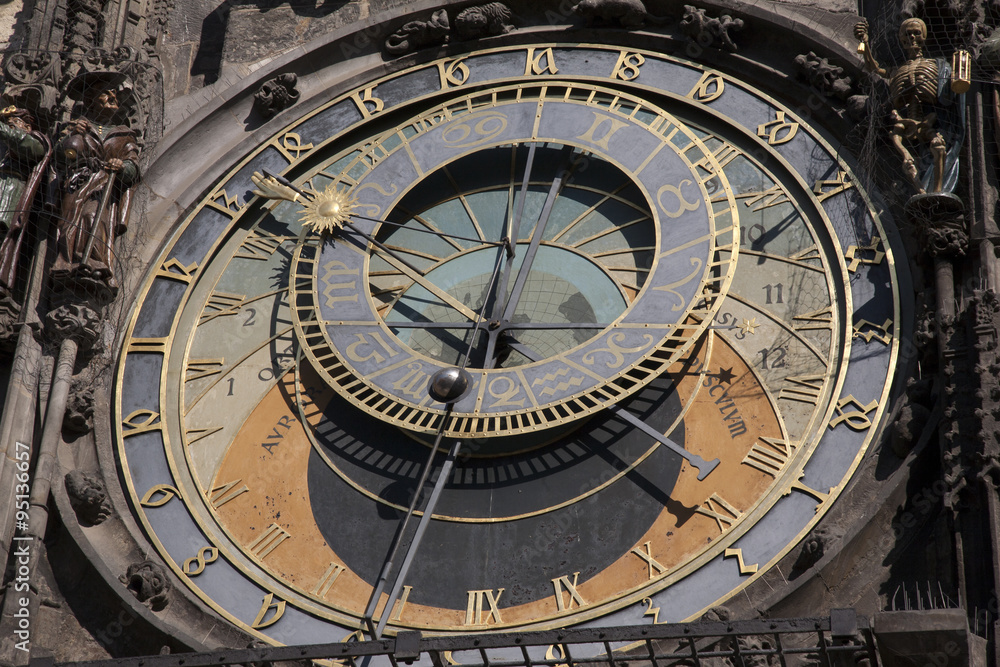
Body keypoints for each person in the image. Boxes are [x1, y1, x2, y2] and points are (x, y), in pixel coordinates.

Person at [854, 17, 965, 194]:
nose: (912, 37)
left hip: (930, 118)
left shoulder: (937, 65)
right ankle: (919, 187)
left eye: (916, 33)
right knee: (897, 140)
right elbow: (873, 67)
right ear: (901, 39)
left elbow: (950, 87)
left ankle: (936, 192)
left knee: (938, 146)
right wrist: (865, 43)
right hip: (904, 120)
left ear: (923, 37)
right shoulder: (896, 70)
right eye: (907, 34)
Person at [52, 72, 140, 293]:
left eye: (114, 94)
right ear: (91, 100)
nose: (113, 97)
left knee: (92, 216)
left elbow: (134, 169)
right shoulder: (78, 127)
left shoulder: (124, 135)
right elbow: (59, 158)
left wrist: (121, 166)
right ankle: (67, 262)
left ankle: (93, 263)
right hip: (76, 183)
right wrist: (70, 133)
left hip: (103, 186)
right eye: (105, 93)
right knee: (69, 222)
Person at [0, 104, 50, 300]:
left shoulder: (36, 141)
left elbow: (23, 145)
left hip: (11, 190)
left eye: (14, 124)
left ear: (27, 126)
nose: (10, 129)